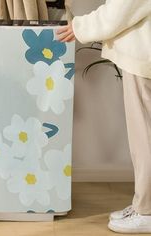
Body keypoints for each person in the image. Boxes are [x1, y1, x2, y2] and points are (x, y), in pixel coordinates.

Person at [57, 0, 151, 234]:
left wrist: (80, 27)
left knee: (145, 137)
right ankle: (143, 204)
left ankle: (147, 211)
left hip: (145, 55)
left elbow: (122, 8)